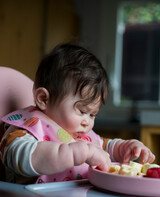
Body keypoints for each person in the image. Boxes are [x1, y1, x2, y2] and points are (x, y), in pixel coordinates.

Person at [0, 43, 155, 184]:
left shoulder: (79, 134)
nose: (87, 121)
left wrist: (126, 147)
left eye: (92, 114)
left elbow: (104, 146)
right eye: (82, 111)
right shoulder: (27, 130)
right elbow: (20, 158)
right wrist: (77, 153)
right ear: (44, 99)